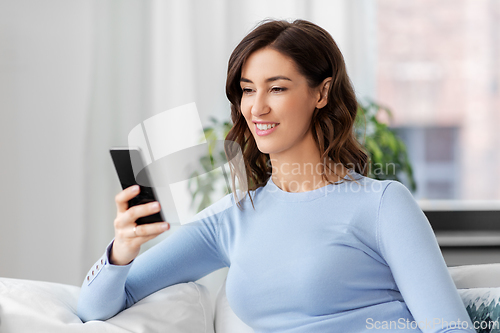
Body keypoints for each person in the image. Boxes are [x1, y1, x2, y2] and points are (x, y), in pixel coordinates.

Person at [77, 19, 476, 332]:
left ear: (321, 93)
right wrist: (122, 250)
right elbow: (97, 306)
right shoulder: (230, 220)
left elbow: (449, 328)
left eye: (278, 89)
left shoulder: (382, 203)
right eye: (247, 90)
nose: (257, 108)